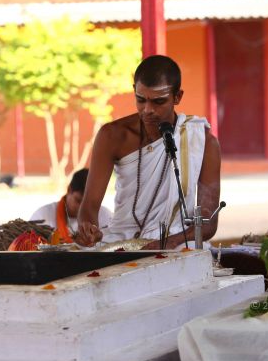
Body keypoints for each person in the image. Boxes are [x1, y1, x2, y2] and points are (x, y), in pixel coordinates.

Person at [76, 55, 222, 250]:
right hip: (120, 241)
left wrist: (166, 243)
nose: (147, 110)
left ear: (177, 97)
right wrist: (89, 229)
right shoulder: (112, 136)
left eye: (158, 101)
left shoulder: (202, 141)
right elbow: (89, 206)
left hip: (177, 243)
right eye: (140, 100)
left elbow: (208, 223)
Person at [30, 168, 112, 243]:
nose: (82, 208)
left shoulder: (105, 216)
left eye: (90, 202)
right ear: (69, 190)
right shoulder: (43, 215)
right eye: (78, 200)